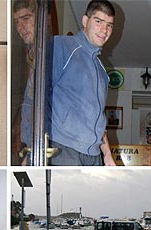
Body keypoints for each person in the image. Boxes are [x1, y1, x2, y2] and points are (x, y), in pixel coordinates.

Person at [48, 1, 116, 166]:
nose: (104, 30)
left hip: (94, 155)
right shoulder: (61, 45)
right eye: (98, 21)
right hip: (63, 149)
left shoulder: (101, 70)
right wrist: (30, 147)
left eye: (109, 25)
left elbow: (98, 118)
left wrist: (107, 154)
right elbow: (35, 95)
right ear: (85, 21)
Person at [12, 0, 37, 164]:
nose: (21, 28)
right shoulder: (30, 53)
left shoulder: (49, 52)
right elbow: (28, 98)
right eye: (16, 22)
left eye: (26, 18)